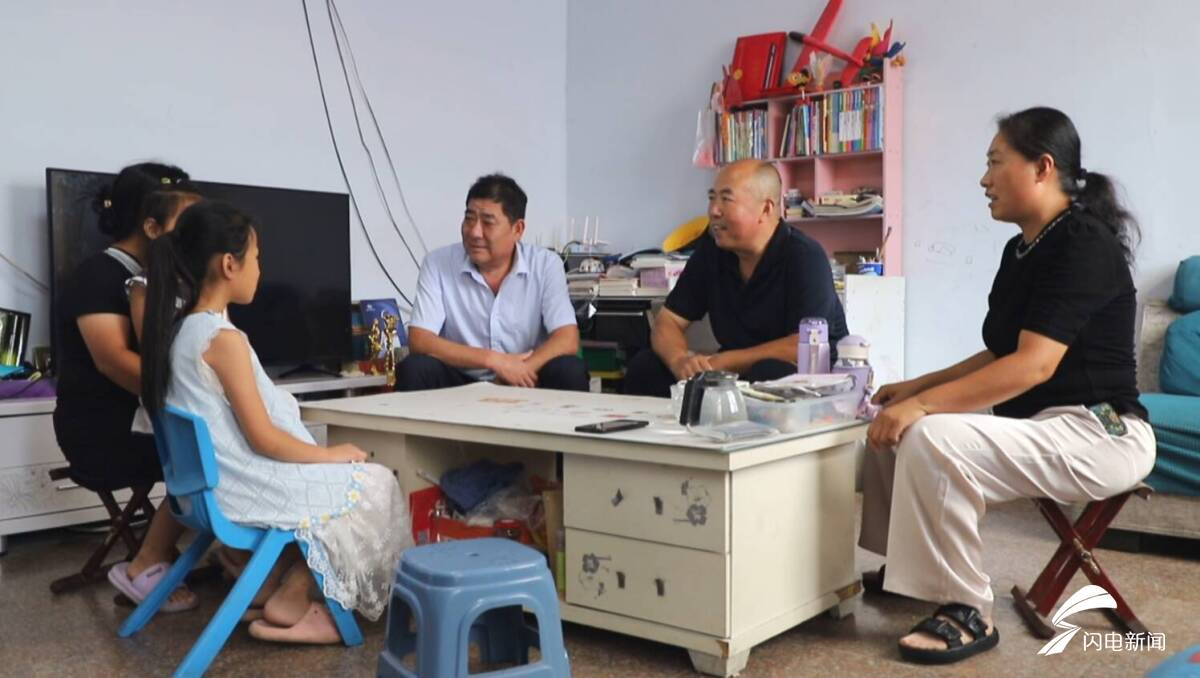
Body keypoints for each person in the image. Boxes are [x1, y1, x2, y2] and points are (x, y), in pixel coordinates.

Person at [858, 107, 1156, 664]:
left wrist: (923, 407)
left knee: (929, 436)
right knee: (894, 428)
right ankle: (908, 572)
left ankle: (969, 609)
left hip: (1105, 431)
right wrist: (914, 389)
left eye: (995, 162)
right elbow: (1001, 353)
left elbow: (1032, 367)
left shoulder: (1083, 243)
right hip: (1045, 425)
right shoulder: (1021, 249)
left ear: (1042, 167)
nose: (984, 179)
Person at [140, 199, 411, 643]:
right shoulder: (221, 339)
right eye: (256, 258)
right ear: (229, 264)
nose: (260, 270)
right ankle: (298, 599)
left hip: (202, 492)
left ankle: (271, 585)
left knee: (345, 482)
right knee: (376, 483)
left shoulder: (178, 330)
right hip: (239, 487)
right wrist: (330, 455)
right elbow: (263, 438)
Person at [53, 162, 201, 611]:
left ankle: (231, 555)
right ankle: (150, 562)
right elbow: (113, 360)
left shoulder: (164, 276)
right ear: (150, 222)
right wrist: (197, 399)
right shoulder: (98, 276)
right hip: (105, 430)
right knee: (213, 450)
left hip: (148, 417)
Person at [623, 159, 847, 397]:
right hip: (734, 376)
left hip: (803, 381)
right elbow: (668, 321)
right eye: (712, 198)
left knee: (769, 372)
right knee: (646, 366)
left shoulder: (804, 256)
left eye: (726, 199)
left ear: (766, 209)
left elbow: (801, 346)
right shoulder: (712, 250)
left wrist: (724, 361)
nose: (713, 210)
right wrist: (680, 360)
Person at [395, 173, 589, 392]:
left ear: (517, 229)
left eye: (488, 222)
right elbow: (420, 340)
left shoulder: (546, 265)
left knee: (570, 369)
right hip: (461, 380)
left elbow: (567, 338)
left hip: (527, 377)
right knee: (415, 368)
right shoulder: (437, 263)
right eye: (469, 219)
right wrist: (494, 361)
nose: (475, 232)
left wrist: (519, 370)